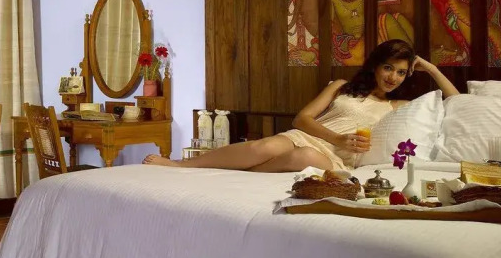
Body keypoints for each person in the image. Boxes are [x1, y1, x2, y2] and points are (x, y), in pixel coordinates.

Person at [143, 39, 460, 172]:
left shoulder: (397, 106)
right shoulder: (341, 87)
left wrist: (431, 69)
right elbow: (301, 118)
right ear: (376, 66)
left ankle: (236, 173)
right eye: (388, 68)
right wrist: (336, 137)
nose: (393, 77)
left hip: (337, 159)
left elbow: (457, 102)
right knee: (265, 146)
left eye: (402, 72)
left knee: (304, 158)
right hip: (310, 136)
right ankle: (182, 166)